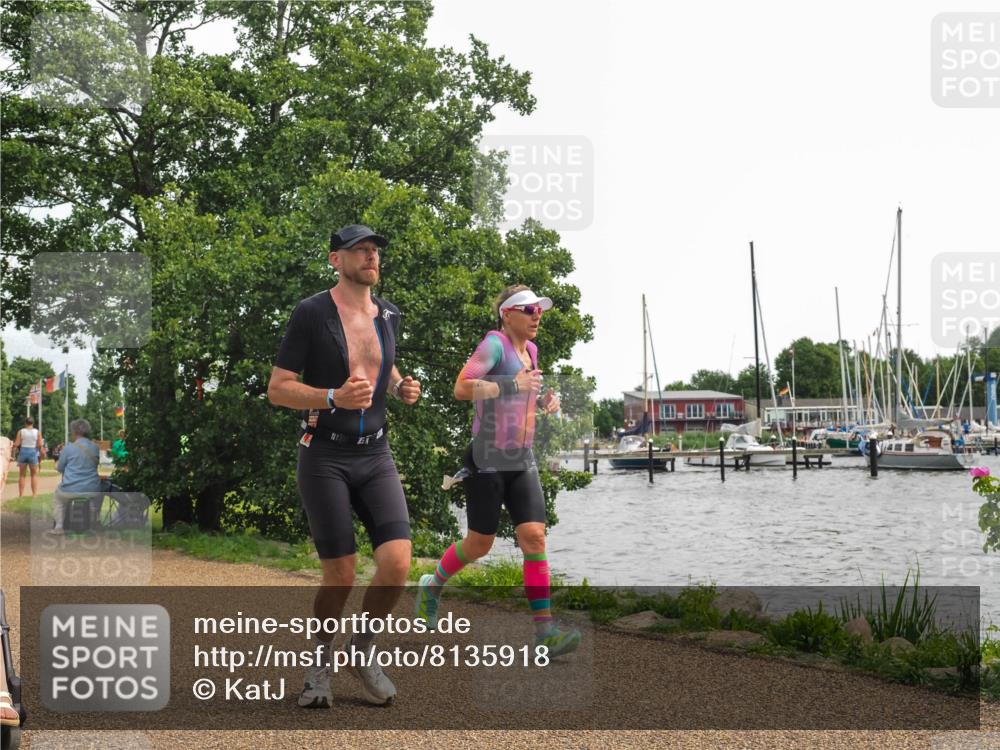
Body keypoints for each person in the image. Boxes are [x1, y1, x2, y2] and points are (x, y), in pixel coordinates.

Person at [268, 223, 421, 708]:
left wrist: (399, 387)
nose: (371, 257)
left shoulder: (389, 313)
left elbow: (383, 364)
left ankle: (363, 650)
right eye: (360, 250)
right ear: (336, 259)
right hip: (325, 456)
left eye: (375, 250)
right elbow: (278, 388)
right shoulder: (311, 313)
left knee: (397, 566)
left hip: (376, 454)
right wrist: (331, 396)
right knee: (342, 574)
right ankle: (319, 661)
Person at [415, 285, 581, 656]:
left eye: (540, 309)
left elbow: (523, 395)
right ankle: (433, 583)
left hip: (522, 459)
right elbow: (461, 387)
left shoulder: (532, 351)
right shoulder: (494, 344)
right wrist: (511, 383)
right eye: (529, 309)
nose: (538, 315)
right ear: (508, 314)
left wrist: (543, 399)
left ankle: (545, 633)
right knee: (479, 545)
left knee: (534, 539)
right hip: (487, 457)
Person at [50, 419, 101, 535]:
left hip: (69, 488)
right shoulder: (95, 447)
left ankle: (59, 526)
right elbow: (95, 464)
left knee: (58, 498)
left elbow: (60, 468)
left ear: (75, 433)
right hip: (91, 488)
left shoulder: (68, 448)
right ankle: (93, 522)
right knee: (95, 497)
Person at [11, 418, 43, 498]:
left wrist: (13, 444)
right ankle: (34, 494)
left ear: (25, 423)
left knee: (22, 475)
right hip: (32, 451)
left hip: (23, 452)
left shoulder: (21, 431)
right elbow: (39, 444)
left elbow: (17, 443)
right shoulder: (37, 432)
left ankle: (21, 495)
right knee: (34, 475)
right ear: (33, 423)